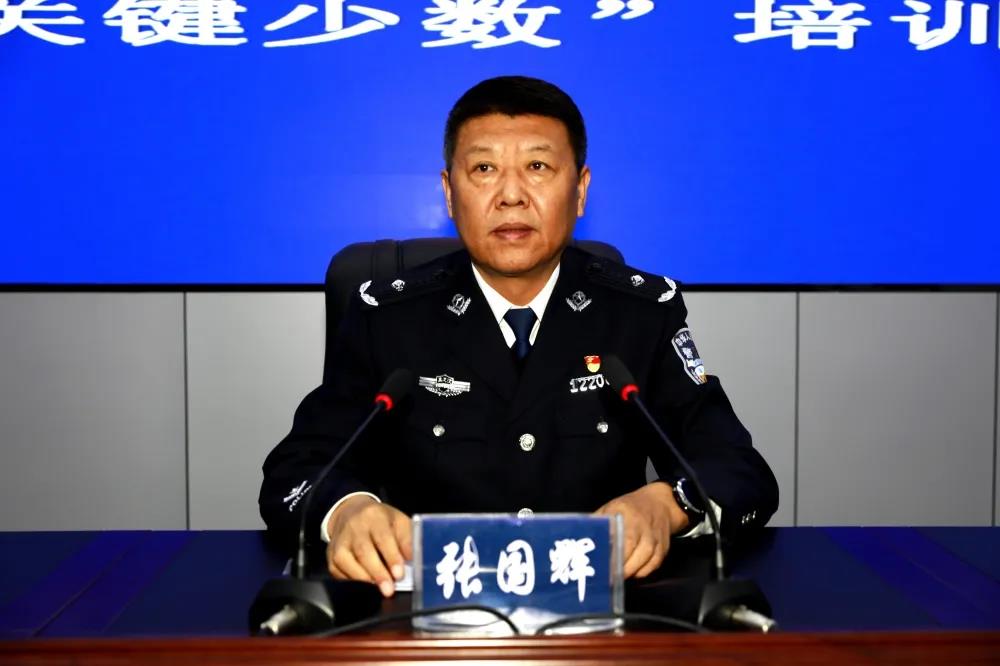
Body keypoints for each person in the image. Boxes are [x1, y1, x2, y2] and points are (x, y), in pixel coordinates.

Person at [260, 76, 778, 599]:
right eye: (484, 169)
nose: (511, 196)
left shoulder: (640, 315)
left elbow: (739, 470)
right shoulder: (388, 318)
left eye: (538, 167)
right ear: (449, 193)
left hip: (599, 611)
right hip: (423, 612)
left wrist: (666, 505)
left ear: (580, 190)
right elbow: (297, 470)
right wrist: (349, 512)